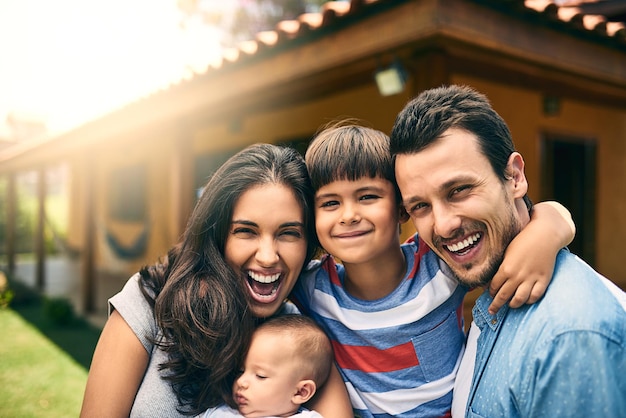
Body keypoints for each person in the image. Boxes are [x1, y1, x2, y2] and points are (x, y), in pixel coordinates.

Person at [289, 123, 575, 417]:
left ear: (402, 208)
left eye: (367, 197)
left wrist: (548, 230)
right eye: (330, 203)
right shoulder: (313, 287)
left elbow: (553, 213)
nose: (348, 215)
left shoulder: (437, 263)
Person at [390, 84, 626, 417]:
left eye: (458, 190)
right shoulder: (469, 287)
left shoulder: (569, 336)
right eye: (420, 206)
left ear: (514, 176)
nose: (442, 226)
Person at [80, 144, 352, 417]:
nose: (268, 257)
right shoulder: (151, 300)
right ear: (217, 236)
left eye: (289, 233)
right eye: (246, 231)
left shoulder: (299, 338)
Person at [198, 314, 332, 418]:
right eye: (240, 371)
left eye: (260, 376)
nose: (241, 382)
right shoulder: (220, 412)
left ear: (301, 392)